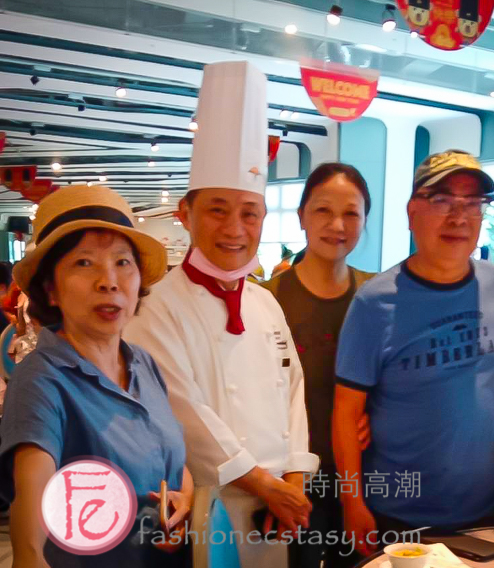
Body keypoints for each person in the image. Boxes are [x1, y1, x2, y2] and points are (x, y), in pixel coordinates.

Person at [125, 61, 318, 568]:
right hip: (209, 504)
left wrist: (294, 479)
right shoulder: (155, 307)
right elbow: (184, 414)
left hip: (281, 504)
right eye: (217, 209)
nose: (235, 228)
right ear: (185, 214)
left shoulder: (265, 301)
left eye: (249, 212)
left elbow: (293, 391)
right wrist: (264, 484)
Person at [0, 185, 194, 568]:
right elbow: (31, 504)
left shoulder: (143, 364)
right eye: (84, 263)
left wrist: (183, 498)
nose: (109, 281)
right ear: (51, 290)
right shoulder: (42, 379)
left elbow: (171, 458)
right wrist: (29, 555)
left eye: (123, 262)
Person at [333, 150, 494, 556]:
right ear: (412, 212)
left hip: (490, 515)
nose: (459, 217)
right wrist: (352, 503)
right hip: (400, 516)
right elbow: (345, 412)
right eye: (442, 200)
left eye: (472, 203)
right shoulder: (375, 302)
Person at [263, 162, 373, 567]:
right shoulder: (266, 300)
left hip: (360, 476)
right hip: (290, 479)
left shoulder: (375, 295)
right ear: (301, 216)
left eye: (351, 213)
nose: (337, 225)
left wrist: (379, 414)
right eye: (323, 210)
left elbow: (396, 380)